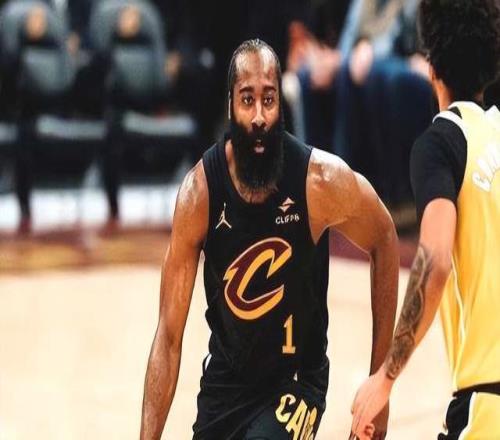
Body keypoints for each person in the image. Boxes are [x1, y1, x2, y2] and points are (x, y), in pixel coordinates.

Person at [140, 39, 399, 440]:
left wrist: (380, 382)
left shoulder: (320, 182)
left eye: (269, 99)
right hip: (226, 382)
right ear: (231, 106)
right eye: (248, 100)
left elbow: (384, 237)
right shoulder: (199, 194)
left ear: (281, 104)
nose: (260, 116)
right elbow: (168, 337)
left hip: (296, 382)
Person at [350, 0, 500, 438]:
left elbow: (434, 261)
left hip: (487, 401)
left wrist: (386, 377)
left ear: (431, 67)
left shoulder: (442, 142)